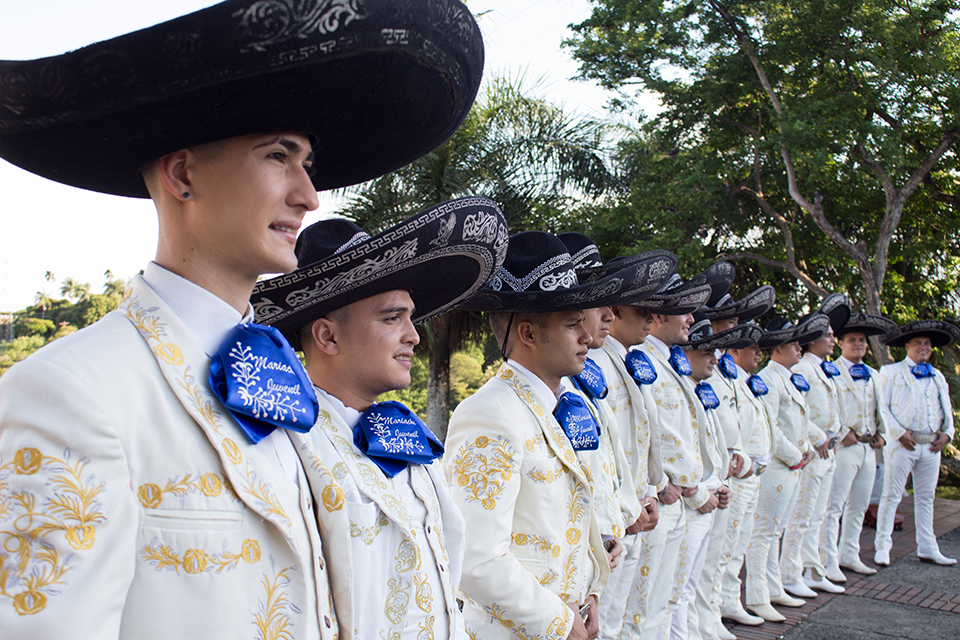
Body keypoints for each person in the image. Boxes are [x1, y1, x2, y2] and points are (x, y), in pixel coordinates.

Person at [0, 1, 484, 637]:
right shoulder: (74, 392)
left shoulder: (292, 397)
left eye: (306, 163)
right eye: (278, 155)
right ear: (182, 175)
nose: (308, 195)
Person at [253, 202, 507, 639]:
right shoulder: (284, 449)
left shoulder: (409, 442)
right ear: (327, 336)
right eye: (392, 318)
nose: (413, 334)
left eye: (411, 317)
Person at [444, 231, 662, 640]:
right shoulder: (489, 414)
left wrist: (590, 593)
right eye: (571, 324)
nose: (587, 336)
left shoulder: (559, 404)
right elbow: (476, 559)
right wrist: (560, 623)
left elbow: (569, 519)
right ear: (527, 334)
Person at [557, 233, 677, 640]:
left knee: (636, 614)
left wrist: (644, 495)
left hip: (627, 517)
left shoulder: (604, 364)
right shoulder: (576, 374)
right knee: (609, 626)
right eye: (596, 303)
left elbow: (618, 450)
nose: (607, 314)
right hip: (603, 534)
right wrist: (614, 523)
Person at [620, 263, 734, 640]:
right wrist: (673, 484)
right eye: (683, 310)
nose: (690, 318)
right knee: (640, 612)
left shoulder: (666, 360)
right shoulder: (643, 360)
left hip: (678, 502)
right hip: (665, 500)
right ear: (657, 314)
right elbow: (652, 433)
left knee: (664, 603)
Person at [670, 314, 759, 640]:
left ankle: (697, 631)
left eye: (714, 351)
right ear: (684, 355)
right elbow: (675, 452)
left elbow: (711, 448)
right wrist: (701, 492)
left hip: (709, 497)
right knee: (675, 590)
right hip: (690, 504)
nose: (713, 358)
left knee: (692, 582)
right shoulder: (680, 390)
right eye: (705, 351)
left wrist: (718, 485)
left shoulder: (701, 390)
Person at [693, 287, 774, 640]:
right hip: (714, 476)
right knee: (709, 559)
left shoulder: (728, 370)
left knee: (728, 550)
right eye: (729, 321)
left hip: (735, 474)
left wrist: (741, 455)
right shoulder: (701, 365)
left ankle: (716, 612)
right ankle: (706, 620)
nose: (735, 327)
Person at [743, 315, 828, 622]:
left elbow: (799, 421)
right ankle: (757, 595)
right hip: (780, 466)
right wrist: (794, 455)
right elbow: (771, 427)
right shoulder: (768, 378)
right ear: (776, 349)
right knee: (764, 532)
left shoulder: (787, 377)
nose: (799, 348)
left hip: (793, 465)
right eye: (792, 343)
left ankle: (773, 586)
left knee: (775, 530)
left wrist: (809, 443)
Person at [874, 320, 960, 566]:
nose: (924, 347)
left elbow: (946, 407)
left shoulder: (937, 375)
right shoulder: (890, 372)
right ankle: (882, 546)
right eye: (919, 343)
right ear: (908, 346)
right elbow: (883, 407)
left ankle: (928, 547)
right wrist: (898, 432)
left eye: (928, 344)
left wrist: (948, 434)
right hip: (903, 444)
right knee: (891, 496)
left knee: (926, 498)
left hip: (931, 445)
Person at [780, 294, 850, 598]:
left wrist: (837, 433)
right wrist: (819, 438)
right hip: (812, 451)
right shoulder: (803, 369)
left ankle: (813, 568)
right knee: (801, 515)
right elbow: (796, 412)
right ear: (812, 340)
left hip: (829, 451)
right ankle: (791, 573)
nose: (834, 339)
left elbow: (837, 405)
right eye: (828, 335)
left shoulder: (825, 368)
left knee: (818, 514)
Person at [821, 312, 895, 581]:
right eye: (852, 340)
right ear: (841, 343)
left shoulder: (873, 374)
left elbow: (881, 408)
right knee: (834, 506)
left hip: (868, 446)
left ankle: (849, 554)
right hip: (845, 447)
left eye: (862, 340)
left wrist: (882, 434)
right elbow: (824, 409)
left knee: (859, 505)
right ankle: (827, 560)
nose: (858, 344)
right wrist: (841, 434)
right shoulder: (831, 370)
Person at [716, 325, 776, 629]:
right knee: (725, 547)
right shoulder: (725, 377)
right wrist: (742, 461)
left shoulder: (745, 380)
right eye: (752, 348)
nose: (758, 354)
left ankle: (730, 599)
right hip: (738, 474)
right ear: (735, 351)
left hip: (753, 474)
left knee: (739, 543)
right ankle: (717, 609)